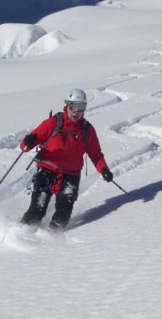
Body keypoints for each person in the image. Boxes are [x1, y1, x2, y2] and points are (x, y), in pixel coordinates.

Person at [19, 88, 113, 230]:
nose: (76, 111)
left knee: (63, 214)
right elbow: (25, 146)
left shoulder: (87, 130)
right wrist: (28, 141)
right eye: (72, 106)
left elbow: (96, 154)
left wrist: (104, 169)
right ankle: (21, 234)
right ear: (66, 106)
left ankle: (50, 241)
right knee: (38, 206)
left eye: (80, 107)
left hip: (71, 174)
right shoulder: (53, 123)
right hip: (47, 168)